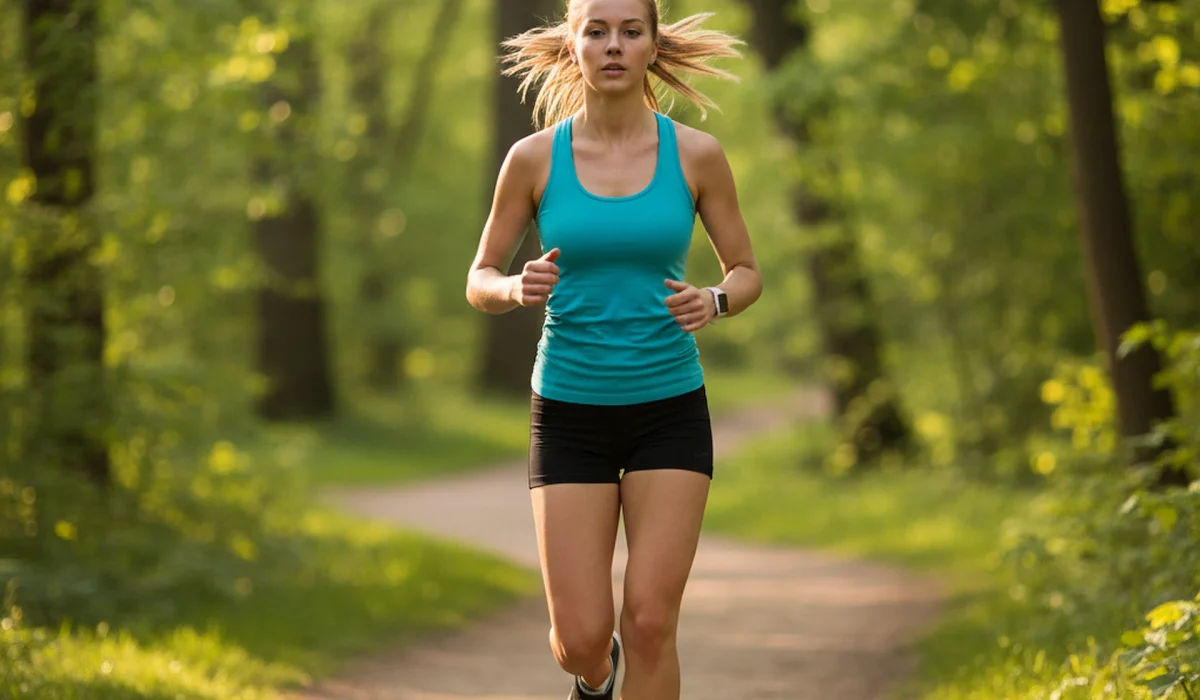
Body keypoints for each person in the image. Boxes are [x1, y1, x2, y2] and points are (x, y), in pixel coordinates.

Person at [465, 0, 760, 697]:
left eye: (631, 31)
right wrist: (513, 288)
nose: (613, 45)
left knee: (653, 620)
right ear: (573, 45)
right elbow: (478, 277)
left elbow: (746, 271)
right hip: (569, 409)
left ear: (655, 45)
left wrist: (715, 300)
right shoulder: (534, 159)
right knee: (580, 640)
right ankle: (596, 681)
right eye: (596, 30)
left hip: (669, 409)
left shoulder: (696, 156)